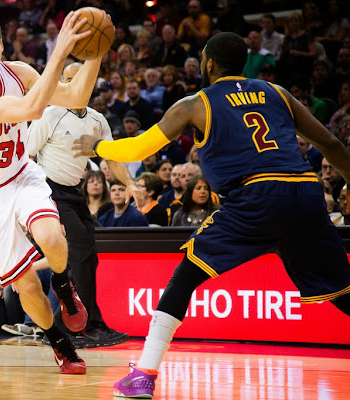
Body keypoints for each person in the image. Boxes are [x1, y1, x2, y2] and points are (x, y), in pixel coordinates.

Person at [73, 32, 350, 398]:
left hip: (255, 196)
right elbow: (331, 144)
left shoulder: (195, 104)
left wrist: (99, 145)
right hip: (303, 190)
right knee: (340, 290)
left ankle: (144, 374)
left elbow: (140, 146)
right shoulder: (278, 92)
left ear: (209, 64)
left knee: (185, 276)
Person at [0, 10, 101, 374]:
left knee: (52, 236)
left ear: (3, 43)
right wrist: (60, 52)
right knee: (26, 284)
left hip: (21, 175)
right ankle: (58, 341)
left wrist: (96, 53)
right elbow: (30, 108)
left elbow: (76, 94)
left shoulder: (19, 72)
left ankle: (64, 287)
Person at [27, 62, 136, 347]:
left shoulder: (97, 119)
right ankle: (82, 328)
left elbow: (110, 158)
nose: (76, 85)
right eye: (70, 80)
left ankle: (79, 324)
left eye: (82, 79)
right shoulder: (50, 114)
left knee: (88, 257)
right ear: (62, 83)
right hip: (49, 191)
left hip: (75, 193)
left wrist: (130, 183)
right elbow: (24, 154)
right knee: (81, 252)